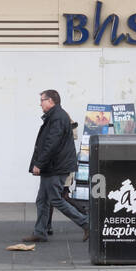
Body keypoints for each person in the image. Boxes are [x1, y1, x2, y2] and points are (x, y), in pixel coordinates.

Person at [23, 90, 89, 244]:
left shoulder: (58, 117)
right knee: (42, 200)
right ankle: (40, 232)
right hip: (53, 166)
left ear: (51, 101)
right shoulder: (54, 116)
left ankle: (86, 223)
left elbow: (52, 143)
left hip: (56, 167)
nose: (40, 104)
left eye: (42, 100)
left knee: (56, 199)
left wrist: (39, 164)